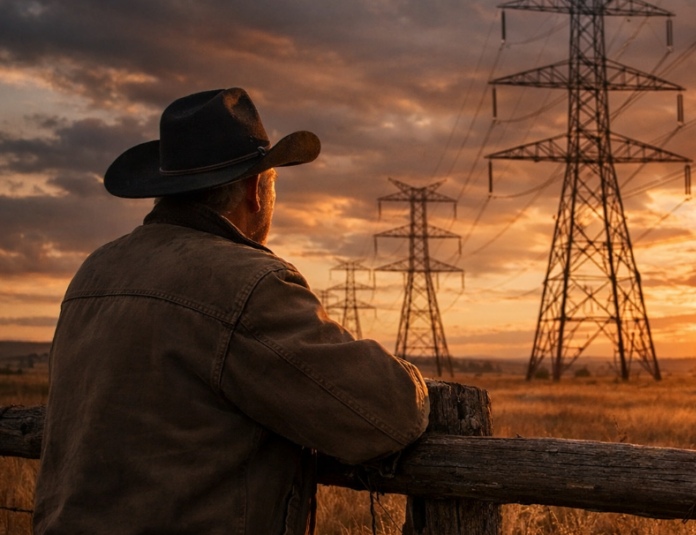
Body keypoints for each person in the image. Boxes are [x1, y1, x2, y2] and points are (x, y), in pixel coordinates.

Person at [34, 88, 430, 534]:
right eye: (273, 182)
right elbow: (387, 414)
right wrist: (417, 382)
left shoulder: (93, 273)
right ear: (254, 191)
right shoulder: (247, 283)